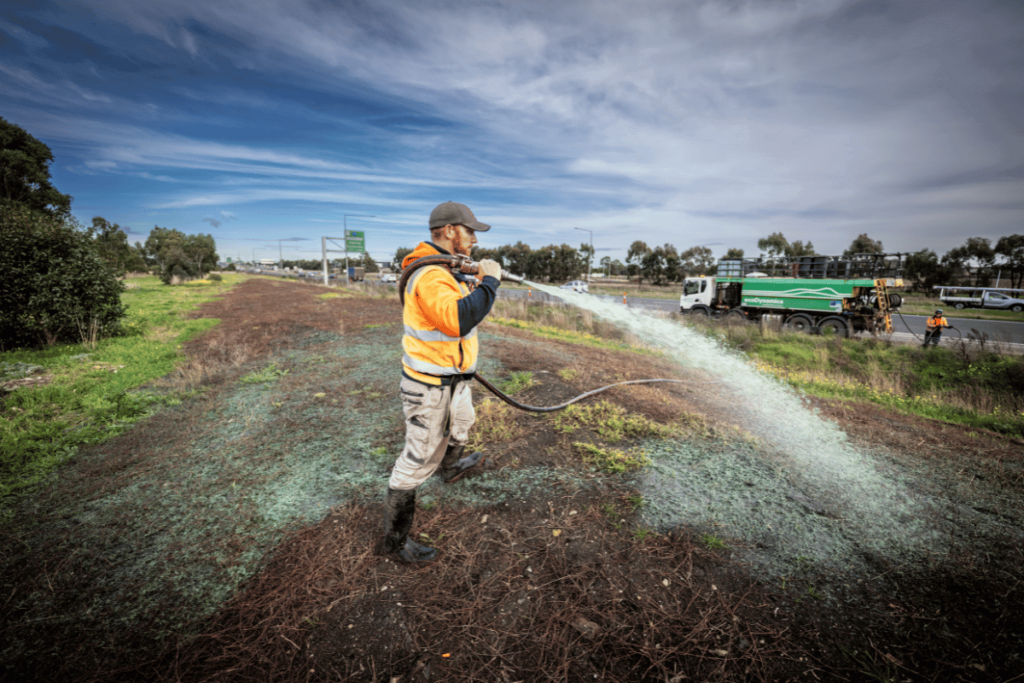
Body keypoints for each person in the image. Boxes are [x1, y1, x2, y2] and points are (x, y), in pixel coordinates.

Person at [382, 201, 503, 565]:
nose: (474, 239)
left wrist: (478, 278)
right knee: (416, 460)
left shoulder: (446, 270)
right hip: (430, 388)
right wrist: (492, 280)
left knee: (463, 425)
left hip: (454, 380)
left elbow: (463, 302)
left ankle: (450, 468)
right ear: (450, 230)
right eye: (470, 231)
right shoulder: (432, 275)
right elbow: (459, 319)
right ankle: (395, 541)